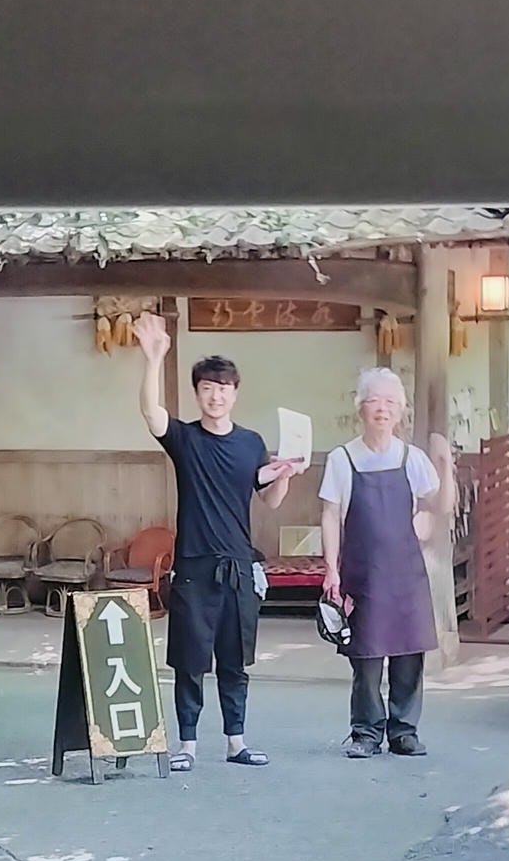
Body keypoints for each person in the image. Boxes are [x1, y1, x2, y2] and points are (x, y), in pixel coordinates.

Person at [134, 309, 302, 769]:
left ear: (234, 393)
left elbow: (269, 501)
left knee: (234, 661)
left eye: (223, 388)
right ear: (198, 393)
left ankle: (236, 742)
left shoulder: (251, 443)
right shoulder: (185, 439)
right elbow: (151, 412)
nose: (215, 396)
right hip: (192, 569)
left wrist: (285, 474)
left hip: (238, 569)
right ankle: (186, 746)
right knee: (189, 662)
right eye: (207, 388)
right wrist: (153, 358)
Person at [319, 367, 456, 758]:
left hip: (407, 573)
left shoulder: (412, 459)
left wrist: (445, 467)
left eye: (390, 403)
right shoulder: (342, 459)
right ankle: (365, 732)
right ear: (360, 408)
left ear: (401, 413)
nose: (382, 409)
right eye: (374, 401)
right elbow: (330, 515)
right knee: (365, 656)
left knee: (409, 654)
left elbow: (440, 506)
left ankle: (404, 731)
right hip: (362, 575)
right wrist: (331, 568)